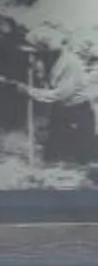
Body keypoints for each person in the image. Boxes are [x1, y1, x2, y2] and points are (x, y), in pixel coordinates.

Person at [22, 37, 98, 168]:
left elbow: (61, 95)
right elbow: (44, 79)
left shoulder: (70, 65)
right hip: (61, 109)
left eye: (40, 52)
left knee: (84, 158)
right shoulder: (50, 60)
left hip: (78, 110)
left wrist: (30, 91)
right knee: (52, 154)